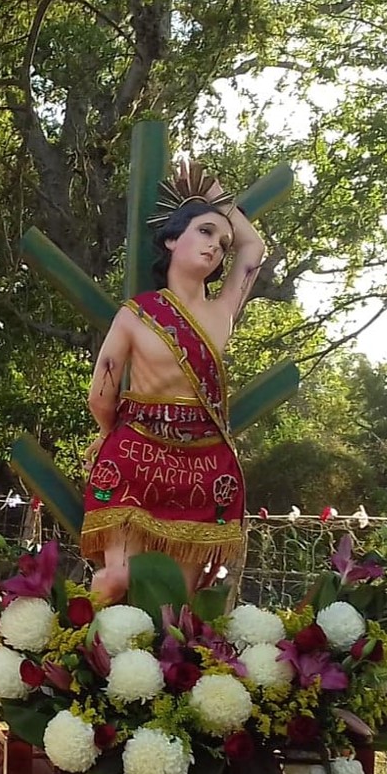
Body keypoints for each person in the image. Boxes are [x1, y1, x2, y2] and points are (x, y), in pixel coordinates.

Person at [82, 165, 265, 601]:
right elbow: (101, 393)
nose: (215, 247)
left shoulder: (222, 314)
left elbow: (253, 245)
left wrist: (216, 197)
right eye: (203, 231)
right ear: (170, 239)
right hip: (136, 452)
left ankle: (161, 668)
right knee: (116, 580)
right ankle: (75, 656)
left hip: (202, 466)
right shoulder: (137, 312)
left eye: (221, 243)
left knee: (175, 602)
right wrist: (109, 438)